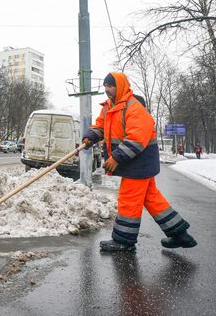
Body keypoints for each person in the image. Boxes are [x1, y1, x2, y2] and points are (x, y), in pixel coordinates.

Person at [82, 72, 197, 252]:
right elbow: (100, 126)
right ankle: (179, 234)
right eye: (105, 86)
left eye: (110, 86)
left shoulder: (133, 107)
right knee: (152, 199)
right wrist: (90, 138)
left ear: (120, 86)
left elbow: (137, 139)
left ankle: (124, 241)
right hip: (134, 162)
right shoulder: (108, 107)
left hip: (138, 162)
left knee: (128, 199)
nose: (106, 90)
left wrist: (116, 158)